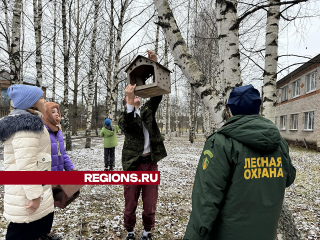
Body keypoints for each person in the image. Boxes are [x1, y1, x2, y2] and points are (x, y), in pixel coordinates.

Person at [183, 84, 296, 240]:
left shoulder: (222, 142)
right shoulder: (279, 143)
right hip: (266, 232)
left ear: (231, 110)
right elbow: (289, 177)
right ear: (259, 108)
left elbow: (207, 198)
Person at [118, 50, 167, 240]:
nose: (136, 96)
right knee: (130, 203)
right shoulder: (124, 118)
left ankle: (147, 231)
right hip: (133, 165)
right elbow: (129, 125)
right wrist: (129, 100)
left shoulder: (147, 110)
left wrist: (155, 64)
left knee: (150, 203)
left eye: (137, 96)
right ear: (127, 103)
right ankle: (130, 231)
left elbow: (157, 96)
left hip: (150, 164)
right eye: (131, 98)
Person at [0, 85, 55, 240]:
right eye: (42, 98)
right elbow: (26, 165)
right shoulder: (27, 127)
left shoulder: (27, 123)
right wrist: (35, 195)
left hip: (29, 190)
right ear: (31, 102)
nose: (45, 101)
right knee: (22, 232)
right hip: (26, 195)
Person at [42, 102, 76, 172]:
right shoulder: (42, 131)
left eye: (57, 112)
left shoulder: (58, 131)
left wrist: (70, 168)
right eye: (53, 112)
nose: (57, 114)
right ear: (46, 114)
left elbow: (62, 153)